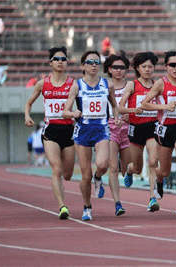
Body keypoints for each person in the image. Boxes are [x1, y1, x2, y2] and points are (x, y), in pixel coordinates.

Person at [63, 50, 119, 221]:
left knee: (103, 164)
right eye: (90, 62)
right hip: (83, 131)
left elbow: (114, 105)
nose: (94, 65)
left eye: (97, 62)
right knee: (85, 175)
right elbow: (65, 111)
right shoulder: (77, 86)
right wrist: (73, 113)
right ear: (83, 66)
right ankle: (87, 206)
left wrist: (116, 118)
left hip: (101, 129)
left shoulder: (106, 84)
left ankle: (98, 177)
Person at [140, 51, 176, 216]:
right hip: (165, 130)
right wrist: (164, 107)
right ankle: (158, 180)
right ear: (166, 67)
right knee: (163, 170)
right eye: (173, 65)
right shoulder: (160, 84)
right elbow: (144, 104)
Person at [24, 46, 76, 219]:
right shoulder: (43, 83)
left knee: (68, 175)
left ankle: (62, 200)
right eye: (57, 59)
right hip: (51, 130)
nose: (60, 62)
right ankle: (62, 206)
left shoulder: (72, 83)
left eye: (63, 59)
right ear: (50, 62)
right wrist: (27, 116)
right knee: (56, 168)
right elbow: (29, 102)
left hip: (68, 130)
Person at [118, 52, 161, 213]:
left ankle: (152, 198)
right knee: (137, 167)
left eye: (150, 66)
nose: (148, 69)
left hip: (153, 127)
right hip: (136, 128)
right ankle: (129, 171)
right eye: (144, 67)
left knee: (153, 161)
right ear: (137, 68)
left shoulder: (158, 85)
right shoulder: (132, 85)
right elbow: (120, 108)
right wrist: (132, 110)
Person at [103, 51, 132, 216]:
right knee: (112, 167)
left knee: (127, 168)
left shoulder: (131, 86)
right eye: (115, 67)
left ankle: (128, 173)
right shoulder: (103, 86)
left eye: (122, 67)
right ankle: (117, 203)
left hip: (128, 129)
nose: (119, 70)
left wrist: (131, 116)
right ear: (109, 69)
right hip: (110, 128)